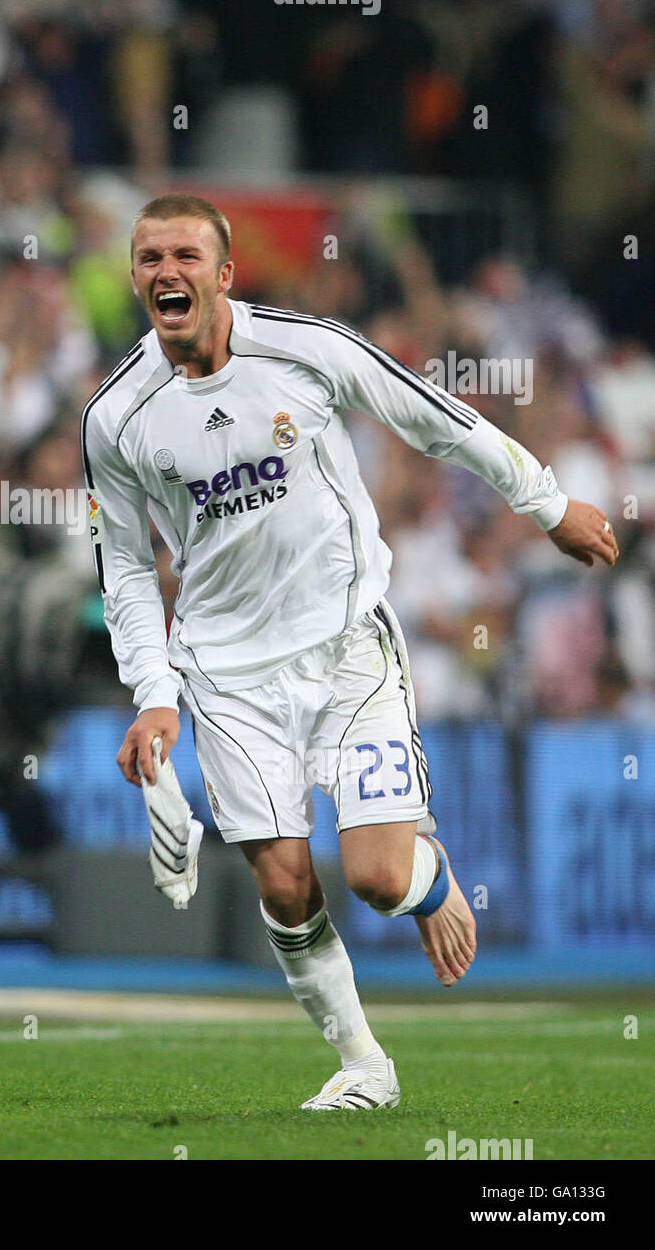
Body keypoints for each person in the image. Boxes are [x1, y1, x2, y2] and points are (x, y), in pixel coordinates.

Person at [83, 193, 619, 1111]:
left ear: (224, 273)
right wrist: (153, 692)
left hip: (344, 647)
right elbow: (127, 569)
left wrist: (545, 503)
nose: (165, 272)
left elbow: (435, 417)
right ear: (134, 277)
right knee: (287, 885)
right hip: (226, 674)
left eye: (184, 255)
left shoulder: (304, 348)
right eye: (147, 258)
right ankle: (365, 1064)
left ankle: (429, 872)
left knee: (375, 877)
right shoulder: (117, 418)